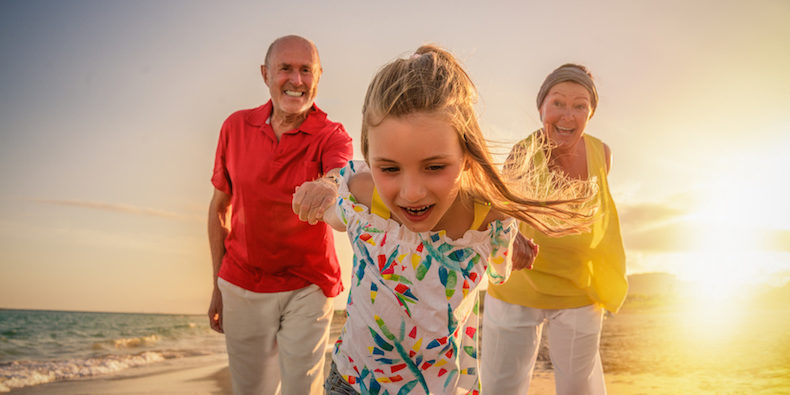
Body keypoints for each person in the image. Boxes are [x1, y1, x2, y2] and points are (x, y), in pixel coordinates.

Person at [292, 46, 594, 395]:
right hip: (353, 383)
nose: (412, 192)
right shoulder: (364, 194)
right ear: (369, 156)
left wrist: (515, 242)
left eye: (434, 167)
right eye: (389, 168)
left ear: (466, 157)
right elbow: (335, 193)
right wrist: (320, 187)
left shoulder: (484, 215)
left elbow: (504, 243)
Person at [207, 35, 353, 395]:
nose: (297, 80)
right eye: (285, 68)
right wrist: (217, 285)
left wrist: (329, 184)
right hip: (241, 282)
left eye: (306, 70)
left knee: (301, 389)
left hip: (308, 284)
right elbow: (219, 209)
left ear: (319, 76)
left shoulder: (332, 135)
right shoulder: (235, 127)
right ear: (265, 74)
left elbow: (342, 174)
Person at [481, 64, 628, 395]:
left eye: (580, 106)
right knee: (501, 386)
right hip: (519, 286)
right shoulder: (523, 152)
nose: (567, 115)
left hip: (578, 287)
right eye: (558, 103)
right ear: (542, 108)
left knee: (579, 388)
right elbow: (502, 209)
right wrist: (514, 237)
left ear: (591, 112)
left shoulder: (601, 154)